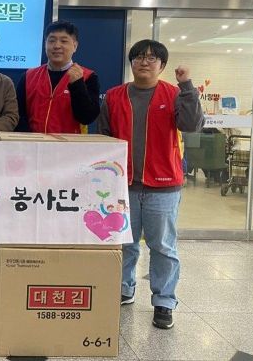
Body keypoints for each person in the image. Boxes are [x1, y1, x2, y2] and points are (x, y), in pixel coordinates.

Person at [98, 39, 203, 330]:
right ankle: (124, 288)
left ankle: (164, 301)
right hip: (124, 184)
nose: (144, 62)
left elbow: (192, 125)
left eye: (152, 58)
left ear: (162, 65)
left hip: (164, 184)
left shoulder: (174, 93)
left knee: (163, 247)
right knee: (124, 243)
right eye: (139, 57)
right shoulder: (115, 96)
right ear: (131, 63)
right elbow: (105, 136)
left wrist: (187, 86)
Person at [16, 20, 100, 133]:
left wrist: (78, 84)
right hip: (34, 142)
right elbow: (18, 115)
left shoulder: (88, 76)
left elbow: (87, 118)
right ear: (45, 44)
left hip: (71, 142)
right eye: (51, 41)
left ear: (75, 46)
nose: (56, 46)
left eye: (64, 41)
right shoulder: (28, 76)